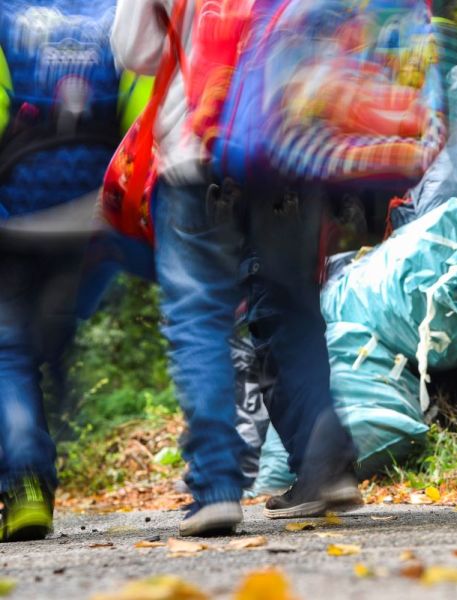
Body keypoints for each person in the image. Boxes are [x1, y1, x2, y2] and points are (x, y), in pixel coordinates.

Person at [111, 0, 362, 532]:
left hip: (197, 150)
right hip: (289, 145)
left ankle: (217, 487)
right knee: (293, 308)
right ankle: (326, 463)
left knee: (199, 317)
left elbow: (136, 50)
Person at [0, 0, 147, 542]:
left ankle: (26, 480)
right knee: (49, 344)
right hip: (92, 212)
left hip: (14, 214)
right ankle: (45, 442)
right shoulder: (115, 12)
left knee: (8, 352)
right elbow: (139, 116)